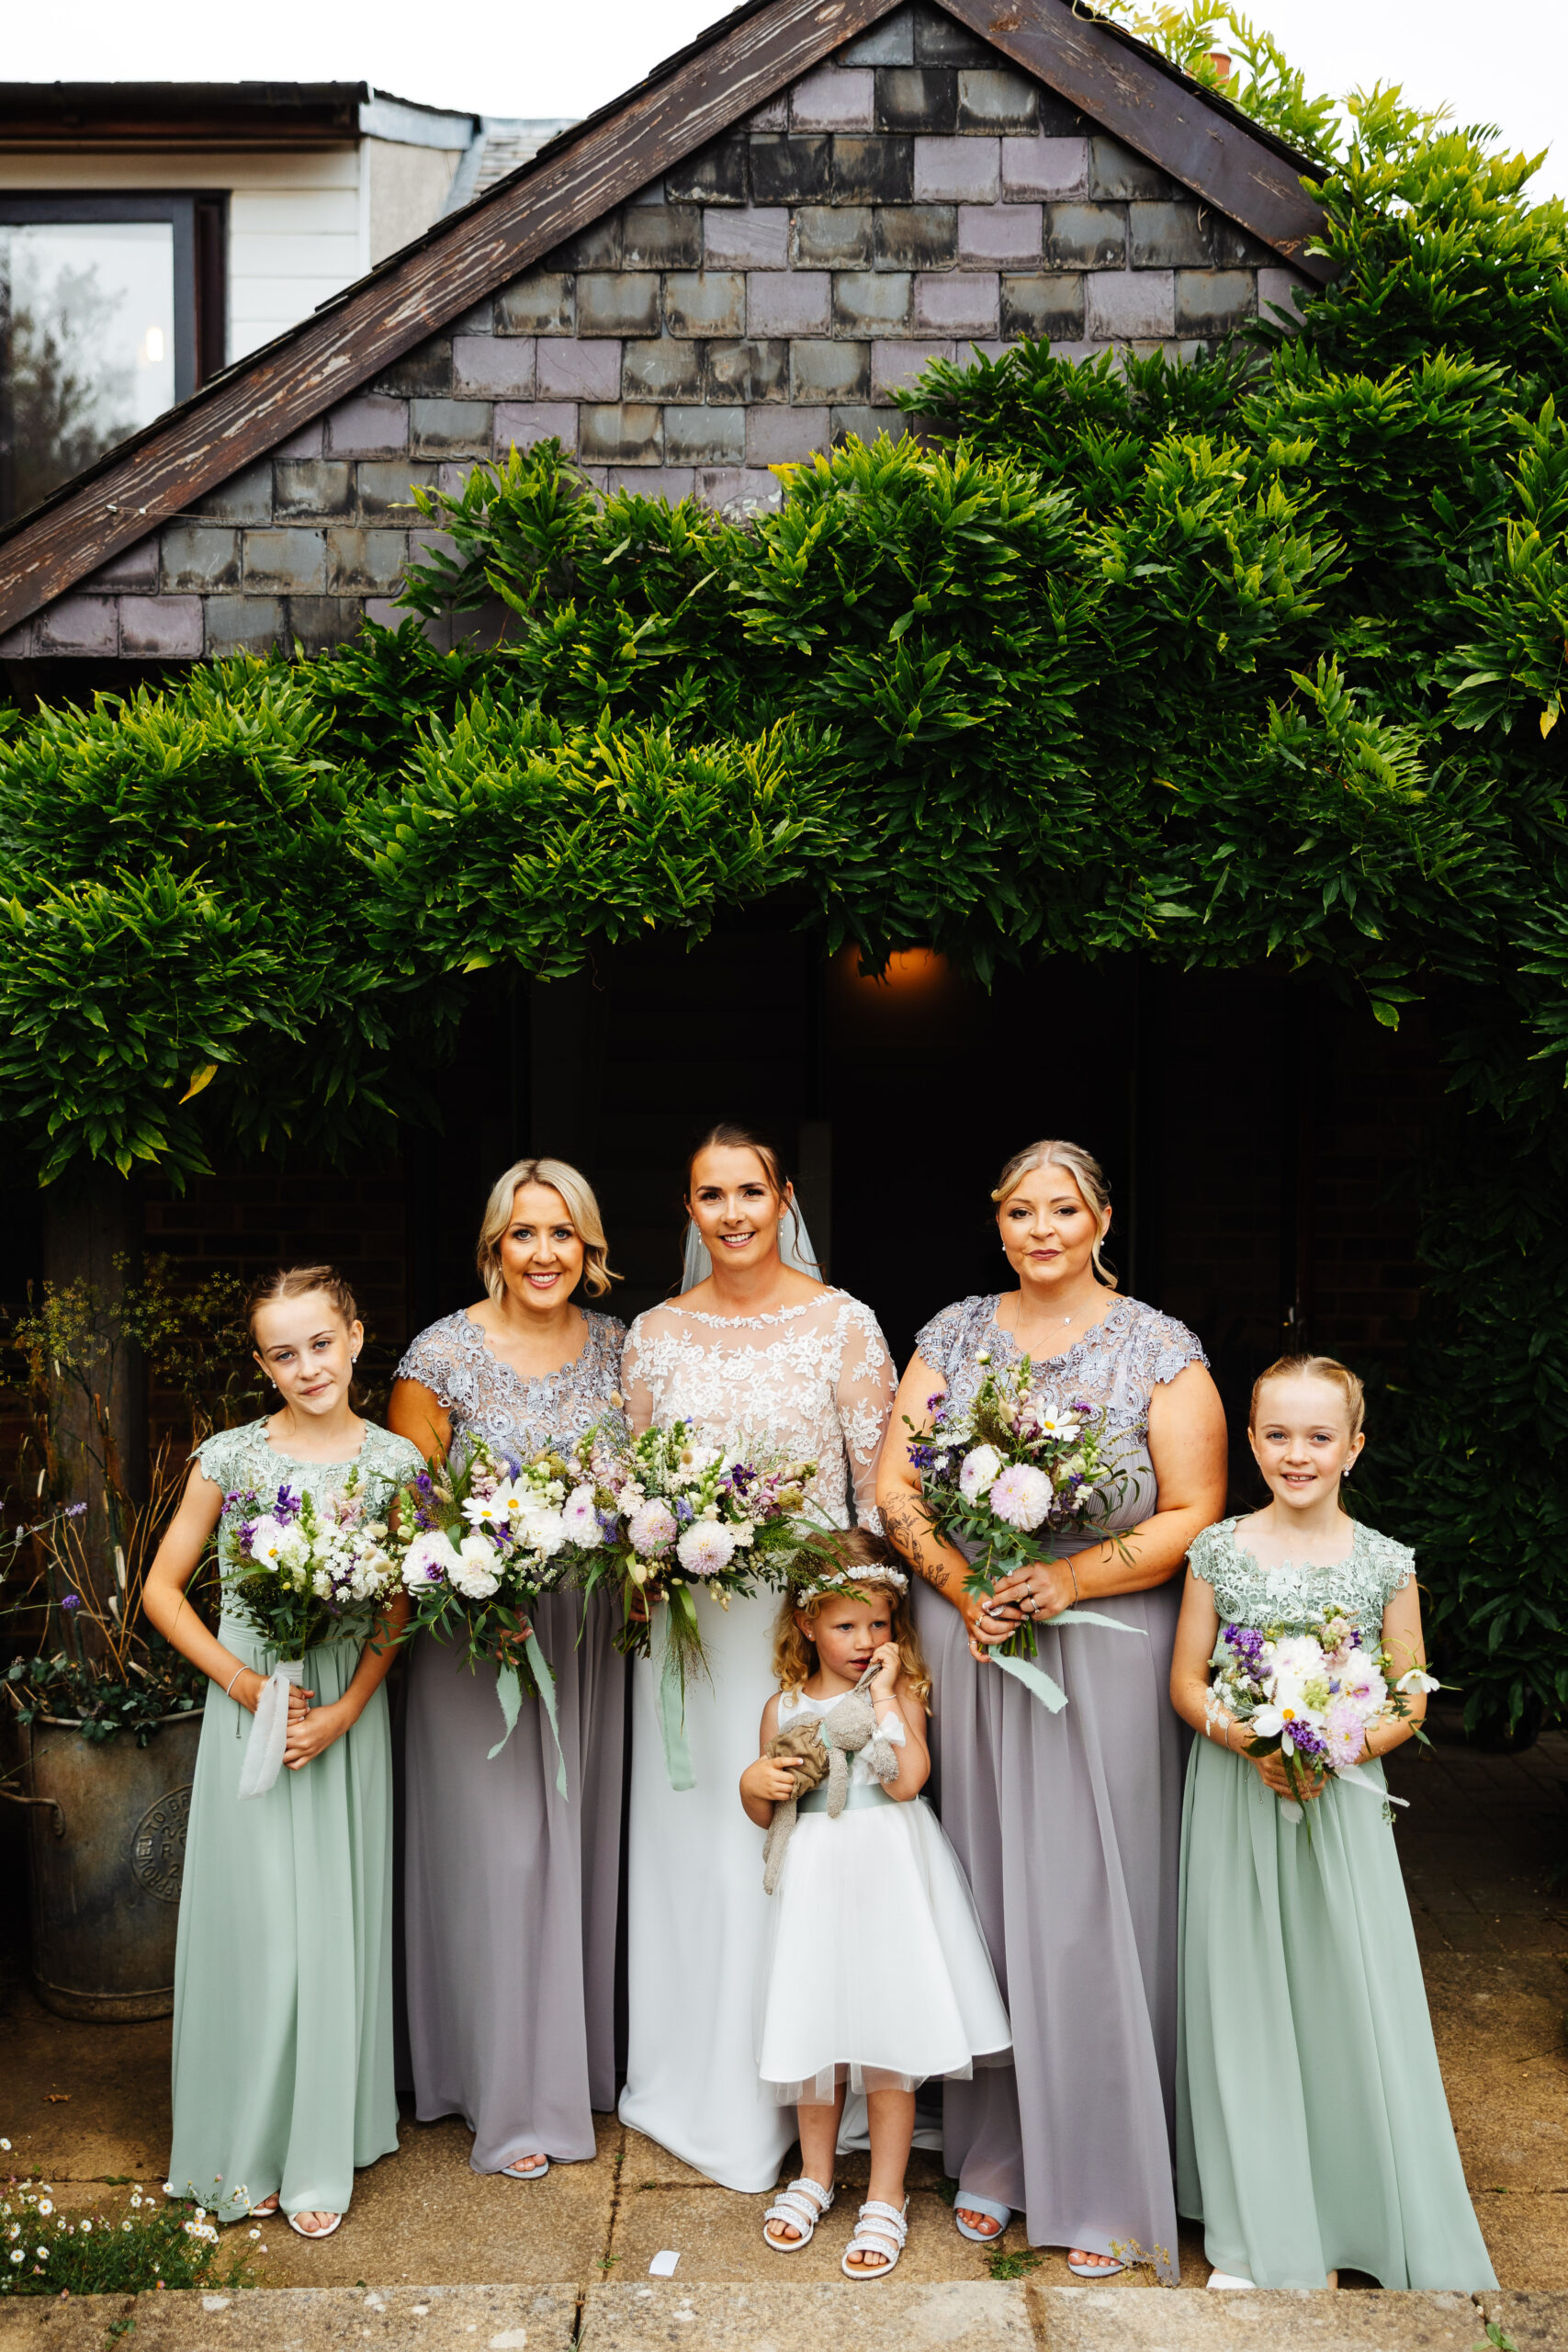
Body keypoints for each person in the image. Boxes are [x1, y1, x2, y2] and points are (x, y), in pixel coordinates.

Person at [877, 1139, 1227, 2279]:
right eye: (1020, 1210)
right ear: (999, 1222)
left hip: (1107, 1647)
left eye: (1062, 1209)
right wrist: (962, 1584)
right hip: (973, 1639)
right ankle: (996, 2154)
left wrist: (1073, 1577)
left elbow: (1199, 1506)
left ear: (1102, 1218)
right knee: (981, 1889)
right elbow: (893, 1487)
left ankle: (1111, 2168)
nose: (1041, 1228)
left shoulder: (1160, 1348)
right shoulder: (952, 1334)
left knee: (1092, 1900)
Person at [1170, 1354, 1497, 2291]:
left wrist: (1338, 1746)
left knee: (1344, 1990)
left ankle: (1361, 2209)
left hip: (1338, 1804)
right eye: (1278, 1434)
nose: (1297, 1453)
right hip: (1240, 1794)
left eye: (1319, 1436)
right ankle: (1255, 2224)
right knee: (1245, 1998)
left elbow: (1410, 1695)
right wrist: (1250, 1739)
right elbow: (1186, 1680)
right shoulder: (1220, 1550)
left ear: (1354, 1447)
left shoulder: (1386, 1563)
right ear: (1252, 1439)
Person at [618, 1122, 897, 2191]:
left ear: (783, 1197)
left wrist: (869, 1638)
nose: (732, 1213)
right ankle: (704, 2082)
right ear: (688, 1209)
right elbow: (630, 1486)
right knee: (700, 1852)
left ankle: (813, 2096)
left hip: (801, 1635)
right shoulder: (653, 1333)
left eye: (749, 1190)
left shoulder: (842, 1325)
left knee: (803, 1853)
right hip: (690, 1641)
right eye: (709, 1194)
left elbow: (874, 1493)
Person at [146, 1265, 421, 2241]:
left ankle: (320, 2143)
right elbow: (163, 1591)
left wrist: (345, 1708)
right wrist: (247, 1684)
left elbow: (400, 1608)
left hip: (342, 1712)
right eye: (283, 1351)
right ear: (261, 1362)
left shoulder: (394, 1464)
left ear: (355, 1336)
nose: (307, 1365)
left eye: (321, 1341)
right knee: (261, 1930)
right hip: (252, 1702)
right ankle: (245, 2142)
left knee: (328, 1930)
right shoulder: (230, 1458)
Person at [389, 1157, 626, 2181]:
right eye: (524, 1234)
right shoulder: (439, 1355)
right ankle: (501, 2088)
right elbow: (413, 1513)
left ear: (590, 1247)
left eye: (562, 1233)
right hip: (472, 1638)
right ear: (494, 1245)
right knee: (498, 1857)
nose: (543, 1253)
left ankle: (576, 2067)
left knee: (577, 1851)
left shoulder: (623, 1350)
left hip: (589, 1634)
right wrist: (482, 1599)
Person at [741, 1534, 1010, 2278]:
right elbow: (768, 1810)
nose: (864, 1643)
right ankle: (814, 2176)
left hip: (888, 1877)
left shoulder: (902, 1697)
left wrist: (886, 1698)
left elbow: (905, 1783)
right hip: (815, 1887)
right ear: (805, 1625)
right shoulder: (784, 1704)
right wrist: (752, 1784)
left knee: (890, 2040)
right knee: (815, 2037)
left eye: (879, 1626)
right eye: (845, 1626)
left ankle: (886, 2195)